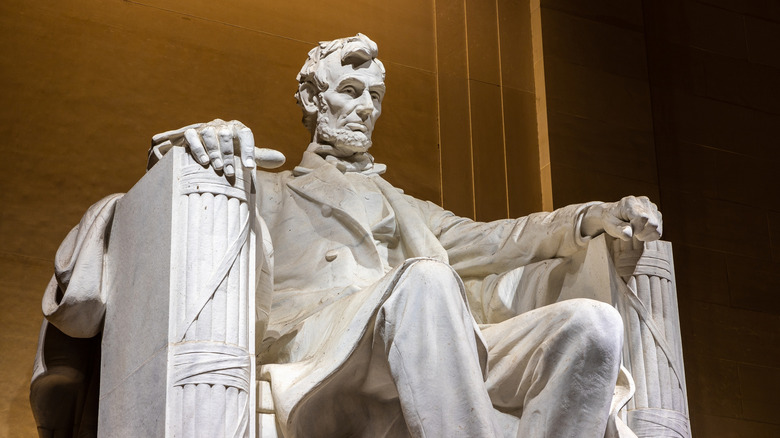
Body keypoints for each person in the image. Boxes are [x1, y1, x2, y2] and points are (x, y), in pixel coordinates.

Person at [33, 34, 661, 437]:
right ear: (311, 99)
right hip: (323, 348)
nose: (365, 107)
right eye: (350, 91)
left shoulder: (404, 204)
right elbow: (167, 201)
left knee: (590, 326)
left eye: (376, 97)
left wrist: (589, 217)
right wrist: (199, 145)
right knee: (426, 281)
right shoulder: (265, 186)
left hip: (431, 345)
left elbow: (501, 238)